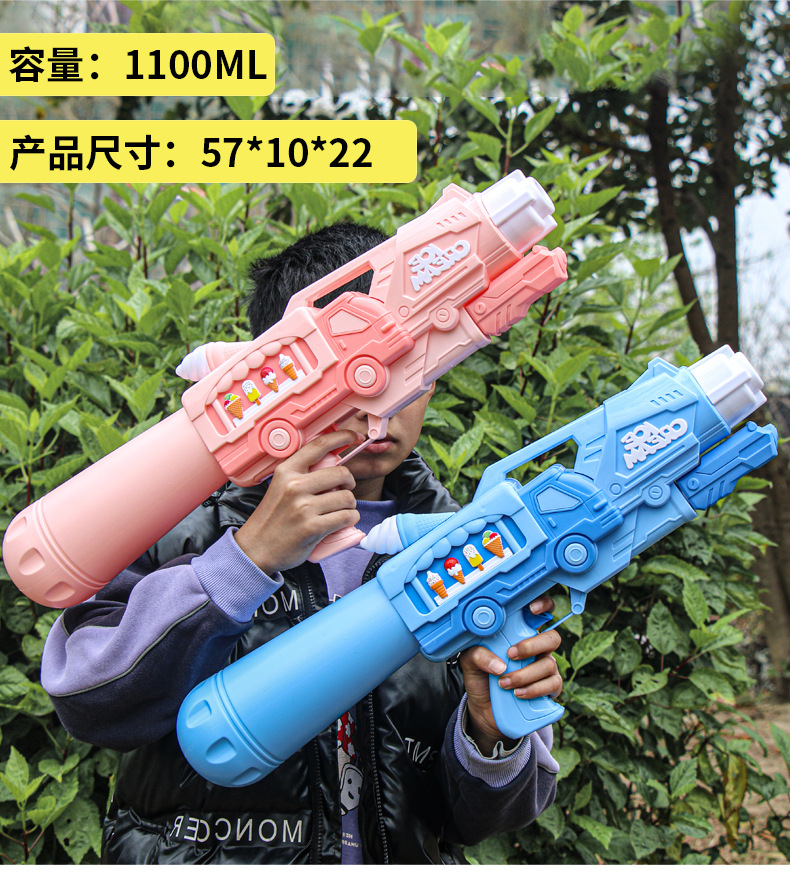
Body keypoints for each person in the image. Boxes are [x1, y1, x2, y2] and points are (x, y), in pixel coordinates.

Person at [40, 222, 563, 864]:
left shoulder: (471, 544)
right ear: (286, 372)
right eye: (360, 371)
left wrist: (490, 733)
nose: (381, 402)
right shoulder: (182, 524)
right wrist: (245, 560)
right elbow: (88, 701)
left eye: (413, 367)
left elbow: (484, 819)